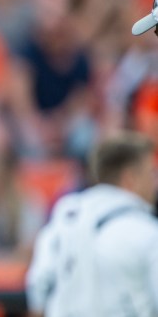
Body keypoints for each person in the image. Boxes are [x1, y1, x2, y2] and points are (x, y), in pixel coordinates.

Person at [25, 131, 158, 317]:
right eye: (151, 173)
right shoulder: (147, 231)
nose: (155, 183)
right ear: (130, 178)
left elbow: (38, 294)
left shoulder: (64, 218)